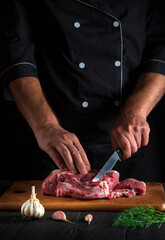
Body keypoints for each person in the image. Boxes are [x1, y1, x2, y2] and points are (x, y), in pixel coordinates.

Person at [0, 0, 165, 181]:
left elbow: (160, 51)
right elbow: (17, 54)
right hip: (50, 141)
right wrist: (45, 125)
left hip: (130, 142)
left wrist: (137, 110)